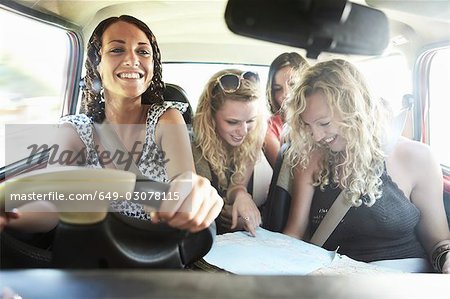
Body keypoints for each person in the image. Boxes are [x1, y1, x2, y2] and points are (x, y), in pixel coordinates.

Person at [1, 15, 223, 233]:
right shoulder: (75, 130)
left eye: (143, 51)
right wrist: (11, 214)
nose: (132, 59)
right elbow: (51, 204)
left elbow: (184, 180)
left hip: (156, 252)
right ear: (97, 65)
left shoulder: (166, 119)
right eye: (117, 50)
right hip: (94, 254)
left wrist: (197, 192)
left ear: (153, 66)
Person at [282, 59, 450, 273]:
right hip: (335, 282)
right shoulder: (310, 158)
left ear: (354, 110)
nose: (316, 136)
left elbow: (438, 243)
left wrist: (446, 258)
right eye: (307, 125)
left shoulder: (417, 158)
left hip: (404, 281)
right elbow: (294, 234)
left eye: (324, 123)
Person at [192, 69, 268, 236]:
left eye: (250, 121)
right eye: (232, 122)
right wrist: (225, 211)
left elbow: (237, 185)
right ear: (210, 116)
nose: (243, 131)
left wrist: (241, 195)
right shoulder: (192, 145)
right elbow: (198, 203)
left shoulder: (253, 135)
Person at [263, 52, 309, 168]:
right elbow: (285, 174)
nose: (286, 94)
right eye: (277, 89)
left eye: (293, 85)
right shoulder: (270, 128)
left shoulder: (322, 118)